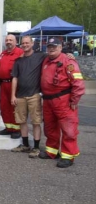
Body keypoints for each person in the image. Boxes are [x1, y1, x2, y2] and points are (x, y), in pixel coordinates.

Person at [39, 37, 85, 168]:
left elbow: (78, 83)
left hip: (63, 101)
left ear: (60, 47)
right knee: (50, 127)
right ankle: (52, 151)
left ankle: (68, 155)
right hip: (48, 100)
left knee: (68, 129)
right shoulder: (46, 60)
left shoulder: (68, 61)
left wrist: (74, 100)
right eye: (49, 47)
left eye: (54, 46)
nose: (51, 49)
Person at [10, 36, 45, 158]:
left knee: (36, 122)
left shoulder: (40, 57)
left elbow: (54, 56)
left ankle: (36, 147)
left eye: (27, 43)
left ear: (32, 43)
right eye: (23, 43)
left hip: (34, 95)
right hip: (20, 96)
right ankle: (25, 145)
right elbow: (15, 78)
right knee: (22, 121)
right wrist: (13, 95)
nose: (25, 45)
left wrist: (69, 56)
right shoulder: (18, 61)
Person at [0, 34, 24, 139]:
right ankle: (9, 128)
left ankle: (17, 129)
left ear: (15, 41)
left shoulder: (20, 53)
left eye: (11, 40)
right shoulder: (2, 54)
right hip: (3, 84)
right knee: (4, 107)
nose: (8, 42)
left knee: (15, 107)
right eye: (7, 40)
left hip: (15, 84)